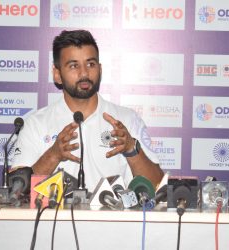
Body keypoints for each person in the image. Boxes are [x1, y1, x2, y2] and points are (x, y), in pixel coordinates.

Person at [11, 30, 164, 192]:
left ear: (100, 69)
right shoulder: (36, 124)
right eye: (73, 65)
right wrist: (53, 155)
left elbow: (158, 187)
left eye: (90, 64)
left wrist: (131, 149)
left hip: (111, 217)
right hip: (53, 217)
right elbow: (16, 191)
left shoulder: (127, 119)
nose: (84, 73)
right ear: (57, 74)